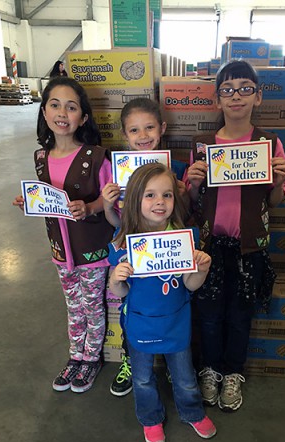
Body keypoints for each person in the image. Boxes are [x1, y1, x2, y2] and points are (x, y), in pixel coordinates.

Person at [186, 59, 285, 412]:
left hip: (251, 249)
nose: (236, 96)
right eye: (228, 90)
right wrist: (194, 184)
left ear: (258, 97)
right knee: (211, 315)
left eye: (245, 89)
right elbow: (192, 202)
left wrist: (277, 181)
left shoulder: (268, 143)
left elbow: (275, 201)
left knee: (240, 314)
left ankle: (233, 372)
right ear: (217, 100)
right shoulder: (202, 145)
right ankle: (211, 369)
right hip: (209, 248)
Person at [13, 76, 114, 393]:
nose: (62, 113)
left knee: (93, 307)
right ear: (44, 112)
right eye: (54, 105)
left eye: (71, 107)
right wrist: (29, 202)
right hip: (60, 251)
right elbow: (47, 200)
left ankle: (91, 359)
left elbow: (110, 198)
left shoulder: (95, 157)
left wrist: (91, 207)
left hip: (91, 251)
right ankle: (75, 357)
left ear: (82, 117)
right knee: (73, 306)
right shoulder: (41, 158)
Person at [109, 162, 216, 442]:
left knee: (185, 376)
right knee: (142, 379)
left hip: (176, 321)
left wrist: (201, 270)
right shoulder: (122, 241)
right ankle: (150, 418)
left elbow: (190, 285)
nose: (160, 202)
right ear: (134, 199)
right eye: (150, 195)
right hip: (140, 323)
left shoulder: (184, 238)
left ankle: (192, 412)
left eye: (167, 195)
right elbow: (119, 292)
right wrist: (117, 278)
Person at [102, 97, 189, 397]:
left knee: (166, 305)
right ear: (125, 135)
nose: (143, 136)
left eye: (149, 127)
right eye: (135, 130)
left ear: (162, 128)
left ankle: (175, 366)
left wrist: (182, 191)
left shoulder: (176, 167)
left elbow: (184, 214)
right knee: (133, 311)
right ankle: (132, 362)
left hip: (165, 250)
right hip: (132, 250)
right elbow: (116, 221)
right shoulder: (119, 171)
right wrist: (105, 203)